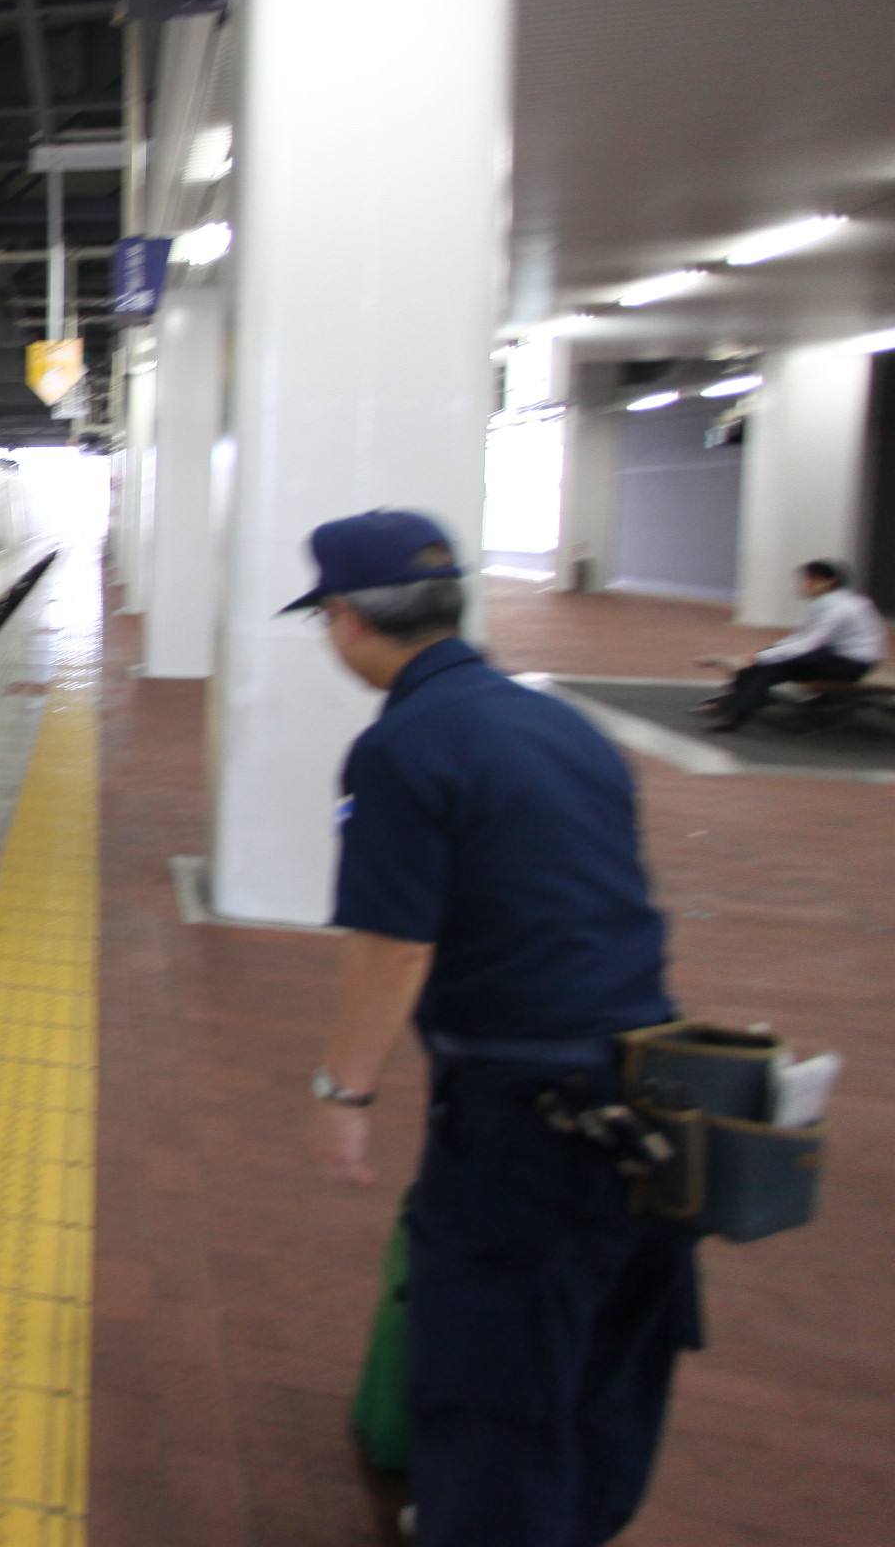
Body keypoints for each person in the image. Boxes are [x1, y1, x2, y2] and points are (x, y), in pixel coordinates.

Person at [292, 509, 696, 1547]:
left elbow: (394, 946)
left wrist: (345, 1091)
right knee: (608, 1353)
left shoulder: (401, 748)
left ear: (347, 618)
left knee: (491, 1366)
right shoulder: (563, 724)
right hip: (657, 1090)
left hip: (528, 1116)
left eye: (326, 617)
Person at [694, 558, 885, 730]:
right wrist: (761, 653)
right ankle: (736, 703)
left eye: (810, 579)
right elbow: (800, 638)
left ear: (829, 582)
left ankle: (737, 711)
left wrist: (759, 657)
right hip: (836, 655)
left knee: (771, 666)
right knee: (769, 661)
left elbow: (808, 644)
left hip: (851, 665)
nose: (804, 584)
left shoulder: (840, 608)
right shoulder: (830, 603)